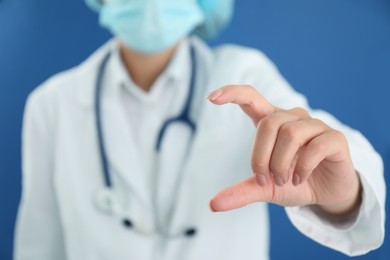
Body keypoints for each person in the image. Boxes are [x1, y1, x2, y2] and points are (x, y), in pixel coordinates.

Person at [14, 0, 385, 259]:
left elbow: (320, 138)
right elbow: (39, 246)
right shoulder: (52, 103)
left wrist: (343, 192)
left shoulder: (245, 76)